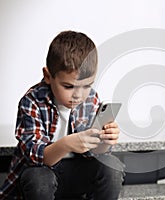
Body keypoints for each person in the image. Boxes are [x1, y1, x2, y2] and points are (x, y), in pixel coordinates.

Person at [0, 30, 124, 200]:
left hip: (76, 173)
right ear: (48, 76)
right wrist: (66, 144)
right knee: (38, 178)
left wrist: (104, 141)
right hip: (43, 174)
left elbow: (94, 153)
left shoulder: (90, 99)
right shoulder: (32, 101)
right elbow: (35, 157)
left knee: (112, 166)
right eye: (68, 86)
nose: (78, 95)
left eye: (87, 86)